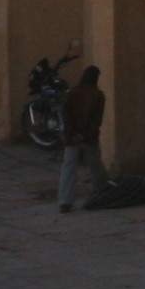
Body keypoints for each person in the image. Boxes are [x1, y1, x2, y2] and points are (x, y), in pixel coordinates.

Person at [53, 60, 106, 212]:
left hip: (72, 138)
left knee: (68, 168)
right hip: (89, 139)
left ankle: (65, 201)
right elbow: (96, 120)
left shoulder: (73, 93)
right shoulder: (98, 95)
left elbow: (66, 115)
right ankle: (101, 193)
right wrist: (84, 135)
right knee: (95, 167)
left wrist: (73, 134)